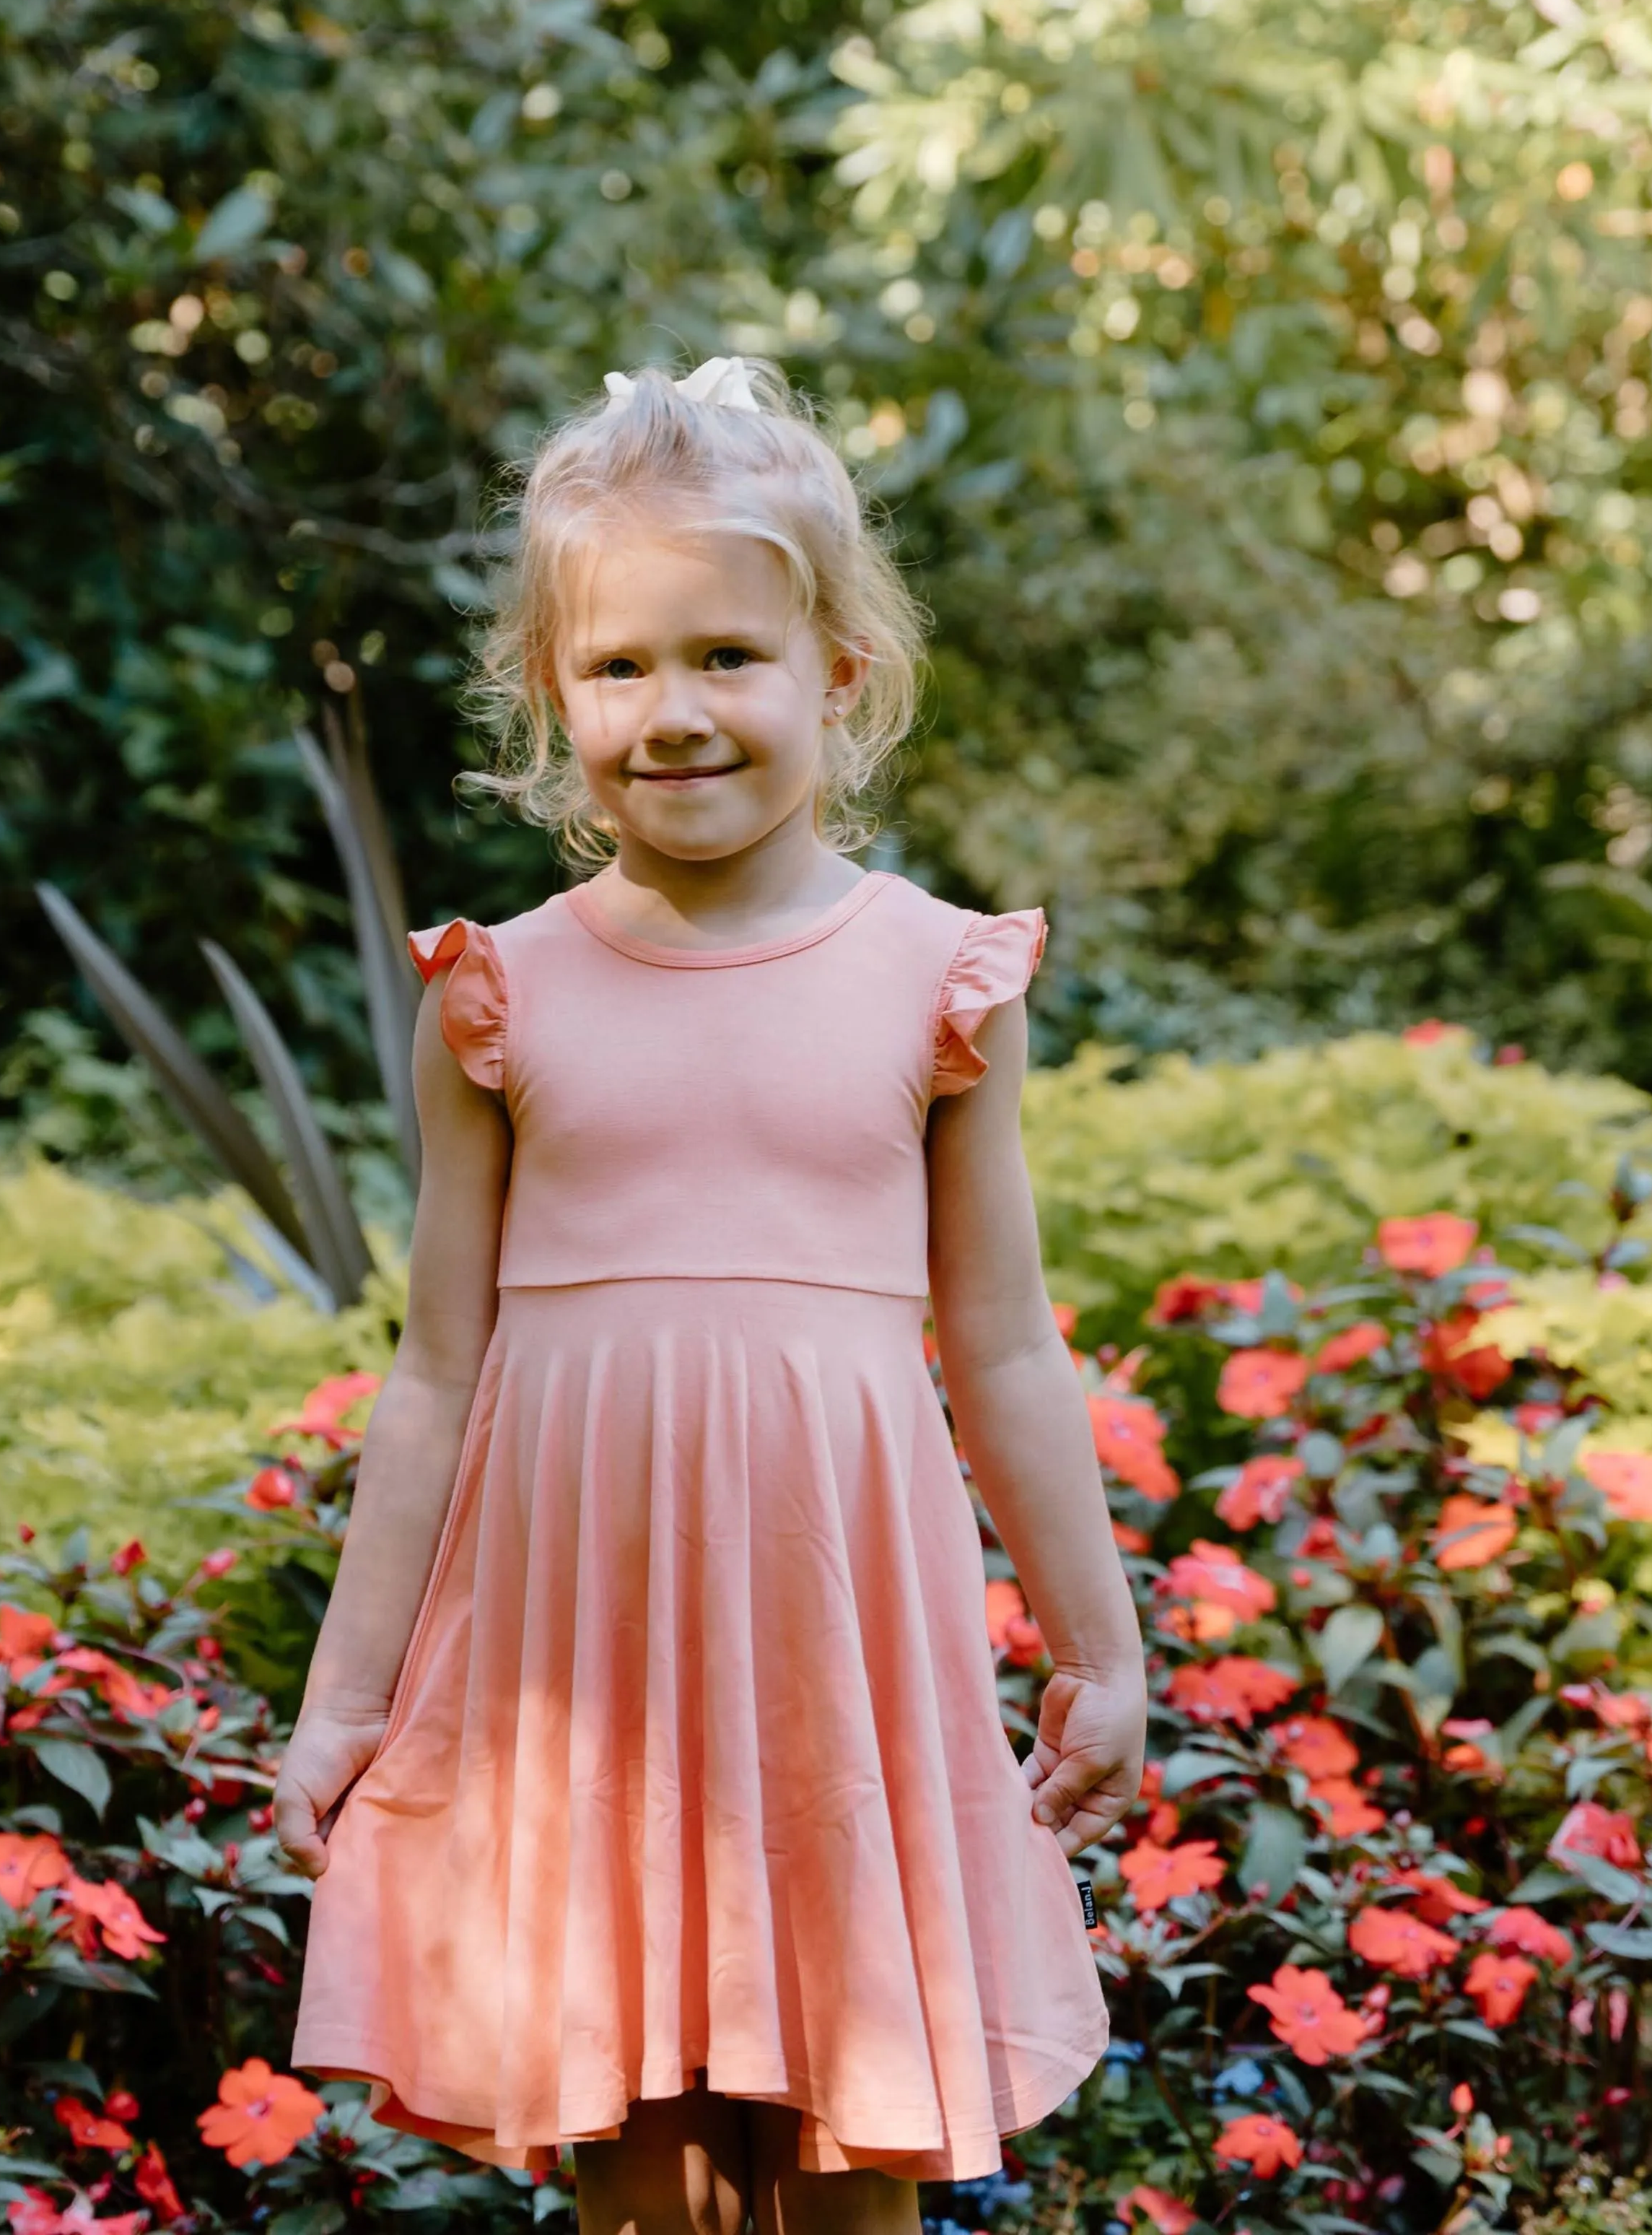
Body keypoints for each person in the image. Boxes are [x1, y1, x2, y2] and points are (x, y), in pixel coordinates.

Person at [274, 354, 1147, 2235]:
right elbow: (434, 1374)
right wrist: (344, 1706)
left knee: (855, 2151)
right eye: (619, 666)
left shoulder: (939, 980)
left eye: (727, 658)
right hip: (591, 1675)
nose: (674, 713)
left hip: (833, 1657)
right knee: (646, 2169)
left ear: (838, 674)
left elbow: (998, 1337)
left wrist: (1099, 1648)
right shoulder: (495, 994)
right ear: (549, 695)